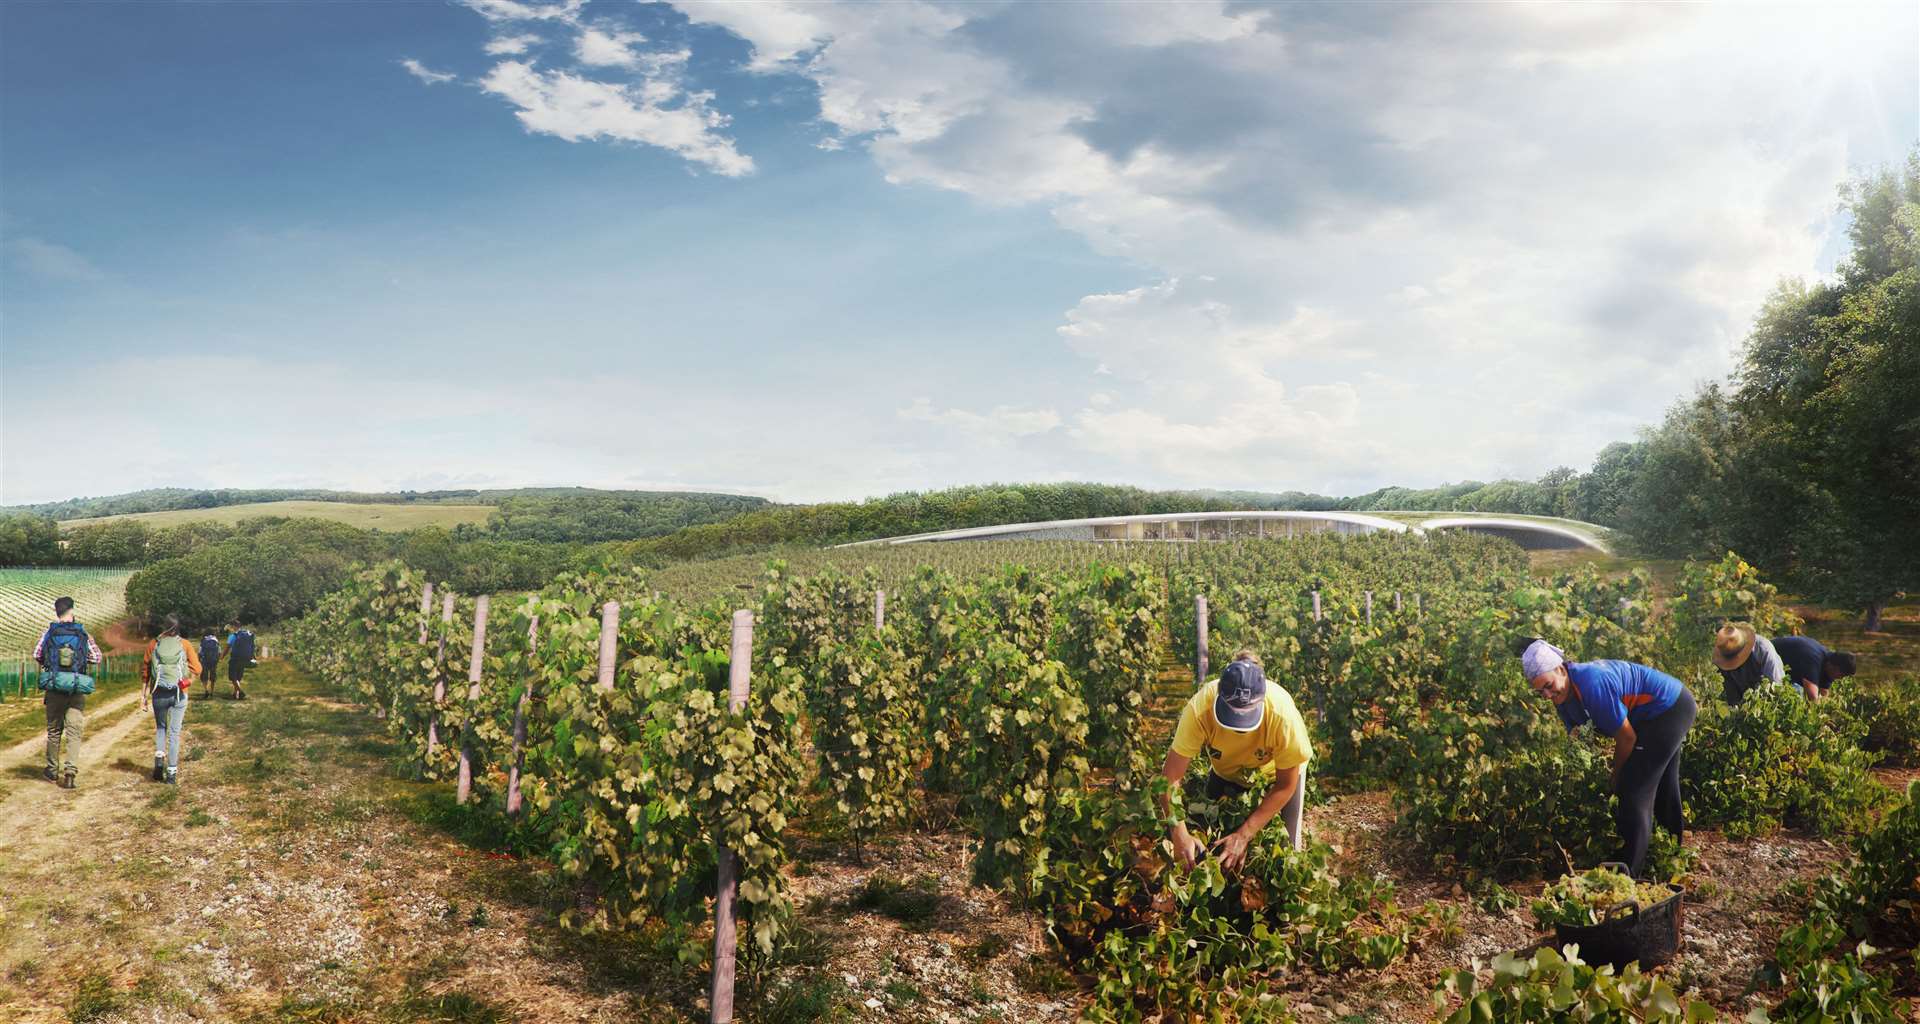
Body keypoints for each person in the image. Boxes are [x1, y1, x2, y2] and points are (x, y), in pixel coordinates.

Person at [1521, 639, 1698, 877]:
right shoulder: (1562, 697)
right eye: (1540, 691)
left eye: (1549, 686)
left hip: (1669, 709)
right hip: (1650, 716)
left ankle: (1628, 874)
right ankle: (1671, 855)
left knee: (1633, 790)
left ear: (1561, 669)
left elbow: (1626, 738)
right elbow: (1580, 738)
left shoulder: (1593, 683)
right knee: (1662, 780)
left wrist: (1616, 775)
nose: (1547, 695)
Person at [1159, 652, 1313, 872]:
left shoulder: (1282, 716)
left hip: (1273, 779)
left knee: (1288, 852)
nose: (1237, 728)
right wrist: (1179, 833)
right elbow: (1169, 779)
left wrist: (1244, 834)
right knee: (1209, 845)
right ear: (1220, 695)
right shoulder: (1200, 709)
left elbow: (1286, 785)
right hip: (1226, 772)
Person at [33, 596, 104, 789]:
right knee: (74, 731)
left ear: (57, 612)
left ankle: (52, 770)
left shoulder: (49, 632)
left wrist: (51, 663)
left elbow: (37, 655)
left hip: (55, 687)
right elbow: (97, 657)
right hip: (75, 687)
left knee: (54, 730)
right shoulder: (83, 634)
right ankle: (70, 772)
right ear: (71, 610)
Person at [141, 615, 200, 785]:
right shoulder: (185, 644)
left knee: (161, 728)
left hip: (158, 693)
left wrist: (143, 696)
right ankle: (172, 774)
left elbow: (145, 672)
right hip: (179, 693)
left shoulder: (154, 644)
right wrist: (187, 678)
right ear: (178, 628)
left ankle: (159, 764)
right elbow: (197, 668)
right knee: (174, 733)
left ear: (163, 626)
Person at [1711, 623, 1784, 704]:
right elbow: (1732, 697)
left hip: (1769, 699)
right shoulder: (1723, 657)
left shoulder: (1762, 649)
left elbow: (1776, 687)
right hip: (1746, 702)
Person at [1771, 635, 1857, 703]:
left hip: (1784, 669)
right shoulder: (1814, 660)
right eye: (1841, 675)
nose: (1840, 678)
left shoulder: (1829, 663)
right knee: (1797, 693)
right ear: (1834, 667)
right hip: (1766, 660)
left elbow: (1823, 694)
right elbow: (1812, 698)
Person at [226, 620, 255, 700]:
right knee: (238, 676)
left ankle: (241, 692)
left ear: (234, 626)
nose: (230, 628)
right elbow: (252, 645)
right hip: (245, 658)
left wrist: (222, 656)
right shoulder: (247, 634)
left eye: (231, 626)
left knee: (233, 677)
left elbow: (227, 648)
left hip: (235, 658)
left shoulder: (233, 636)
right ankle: (236, 694)